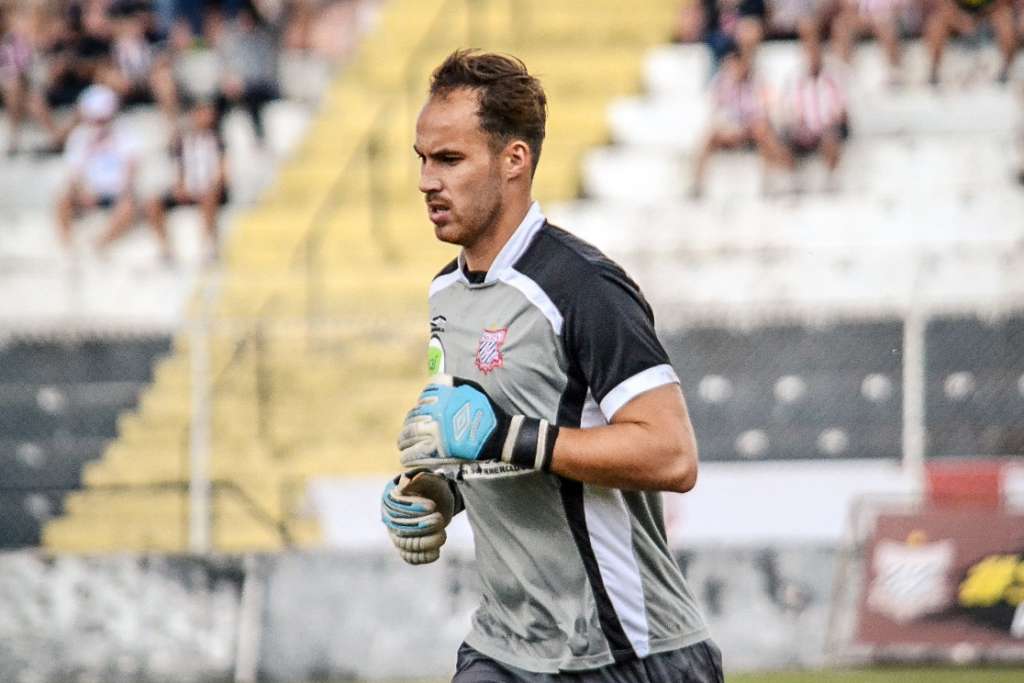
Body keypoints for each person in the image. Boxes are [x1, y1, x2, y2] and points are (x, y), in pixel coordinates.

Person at [380, 50, 722, 683]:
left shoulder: (584, 287)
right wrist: (440, 492)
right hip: (505, 649)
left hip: (627, 650)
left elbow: (672, 456)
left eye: (450, 159)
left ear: (516, 160)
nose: (428, 180)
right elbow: (485, 445)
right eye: (422, 159)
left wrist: (503, 434)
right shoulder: (445, 295)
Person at [691, 41, 791, 197]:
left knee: (762, 130)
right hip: (730, 130)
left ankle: (774, 177)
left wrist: (744, 127)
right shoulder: (721, 83)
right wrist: (730, 128)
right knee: (709, 135)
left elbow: (763, 112)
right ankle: (697, 182)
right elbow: (716, 113)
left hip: (751, 130)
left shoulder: (758, 81)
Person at [56, 84, 138, 252]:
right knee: (62, 199)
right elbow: (74, 172)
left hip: (117, 193)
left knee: (128, 206)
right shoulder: (79, 136)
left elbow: (131, 168)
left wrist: (122, 192)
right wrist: (82, 192)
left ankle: (100, 244)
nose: (99, 122)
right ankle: (67, 247)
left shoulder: (125, 133)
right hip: (89, 192)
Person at [145, 100, 228, 262]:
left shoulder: (218, 141)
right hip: (189, 188)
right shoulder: (182, 142)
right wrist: (180, 186)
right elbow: (177, 169)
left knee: (209, 196)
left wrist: (212, 185)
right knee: (152, 202)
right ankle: (165, 248)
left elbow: (223, 171)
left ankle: (207, 246)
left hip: (209, 189)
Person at [778, 43, 849, 185]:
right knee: (784, 136)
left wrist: (824, 125)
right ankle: (791, 179)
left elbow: (841, 111)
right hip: (802, 129)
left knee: (831, 135)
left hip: (826, 128)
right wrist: (800, 125)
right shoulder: (795, 81)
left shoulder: (832, 80)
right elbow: (788, 109)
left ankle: (832, 177)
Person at [925, 0, 1018, 84]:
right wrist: (959, 19)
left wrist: (979, 17)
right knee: (936, 24)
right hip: (958, 13)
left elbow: (1002, 3)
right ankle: (934, 71)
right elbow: (943, 4)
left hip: (988, 12)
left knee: (1006, 21)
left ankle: (1006, 70)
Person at [831, 0, 904, 83]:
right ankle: (844, 69)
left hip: (885, 17)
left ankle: (894, 69)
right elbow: (848, 6)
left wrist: (880, 14)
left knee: (887, 27)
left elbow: (897, 7)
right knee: (841, 25)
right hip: (861, 17)